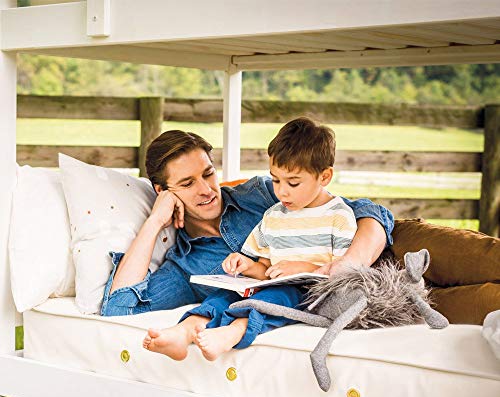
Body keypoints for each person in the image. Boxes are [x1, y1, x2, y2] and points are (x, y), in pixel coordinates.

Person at [101, 126, 394, 359]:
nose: (206, 190)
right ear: (162, 191)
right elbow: (119, 308)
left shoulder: (262, 195)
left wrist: (344, 266)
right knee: (222, 299)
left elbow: (371, 212)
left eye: (208, 174)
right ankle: (188, 331)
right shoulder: (185, 265)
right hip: (271, 302)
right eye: (188, 184)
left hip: (335, 283)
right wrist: (154, 222)